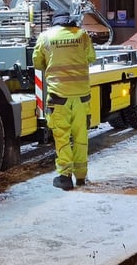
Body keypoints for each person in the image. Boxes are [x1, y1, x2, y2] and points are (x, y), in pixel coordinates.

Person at [32, 11, 96, 190]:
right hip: (82, 97)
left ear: (55, 22)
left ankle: (65, 177)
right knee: (81, 136)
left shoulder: (45, 36)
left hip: (58, 97)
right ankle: (81, 176)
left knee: (62, 138)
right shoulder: (82, 35)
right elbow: (91, 57)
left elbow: (37, 62)